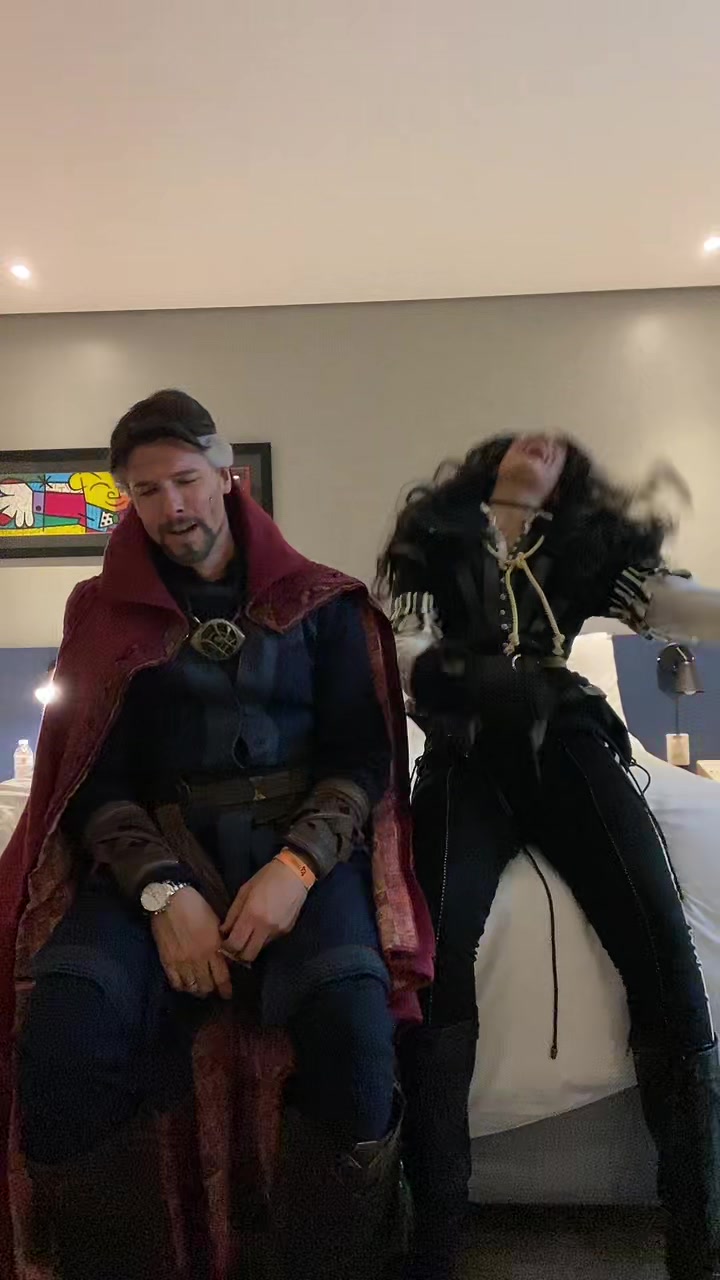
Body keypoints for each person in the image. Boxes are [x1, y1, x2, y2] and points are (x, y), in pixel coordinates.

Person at [0, 389, 433, 1280]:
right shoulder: (102, 614)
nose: (173, 507)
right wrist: (164, 892)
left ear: (226, 474)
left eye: (186, 480)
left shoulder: (322, 605)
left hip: (300, 860)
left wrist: (298, 868)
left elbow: (362, 761)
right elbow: (90, 781)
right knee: (67, 1029)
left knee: (354, 1033)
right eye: (147, 491)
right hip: (153, 863)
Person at [377, 433, 720, 1280]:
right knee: (437, 952)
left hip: (569, 746)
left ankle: (700, 1237)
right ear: (489, 462)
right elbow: (407, 649)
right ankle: (436, 1235)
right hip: (464, 755)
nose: (542, 446)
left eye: (557, 449)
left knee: (662, 943)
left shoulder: (585, 546)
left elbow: (677, 607)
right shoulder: (436, 542)